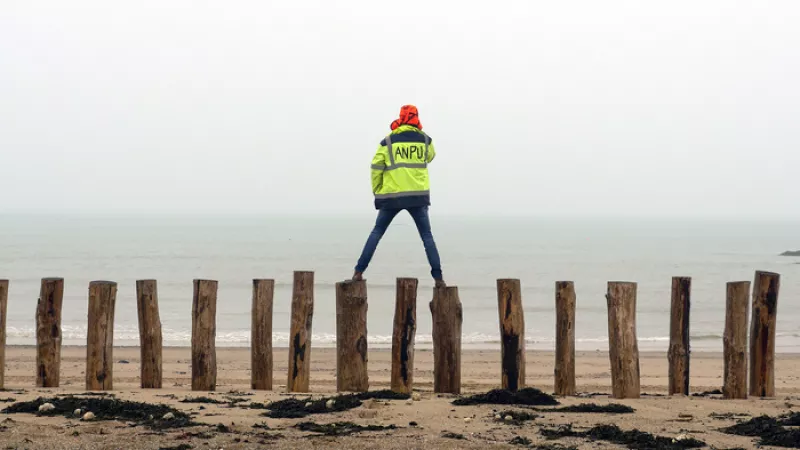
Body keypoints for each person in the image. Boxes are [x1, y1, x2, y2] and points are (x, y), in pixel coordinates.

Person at [352, 105, 445, 287]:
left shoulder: (388, 142)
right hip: (418, 197)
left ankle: (358, 272)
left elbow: (376, 166)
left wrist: (378, 191)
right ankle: (438, 279)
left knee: (377, 232)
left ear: (400, 117)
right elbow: (430, 156)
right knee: (427, 236)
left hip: (392, 196)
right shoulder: (425, 140)